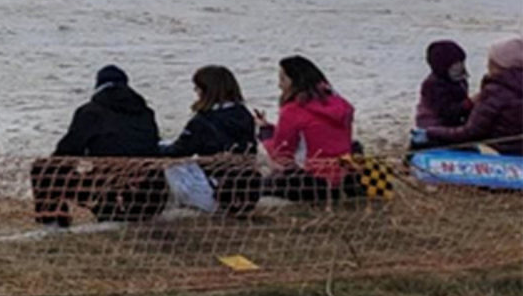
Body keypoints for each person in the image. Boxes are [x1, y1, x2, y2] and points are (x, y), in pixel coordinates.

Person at [31, 65, 164, 225]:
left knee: (44, 169)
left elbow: (66, 153)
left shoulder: (90, 112)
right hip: (153, 196)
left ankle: (54, 221)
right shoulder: (146, 113)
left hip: (112, 194)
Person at [160, 64, 261, 214]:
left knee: (170, 160)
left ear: (206, 91)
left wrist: (152, 147)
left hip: (213, 194)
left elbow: (179, 151)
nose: (196, 92)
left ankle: (178, 201)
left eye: (197, 88)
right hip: (245, 190)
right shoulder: (244, 114)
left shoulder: (203, 121)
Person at [256, 54, 357, 200]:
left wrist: (265, 133)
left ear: (296, 82)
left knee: (259, 182)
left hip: (310, 182)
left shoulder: (292, 110)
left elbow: (282, 155)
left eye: (283, 79)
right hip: (342, 177)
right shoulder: (340, 104)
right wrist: (271, 128)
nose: (279, 85)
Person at [415, 37, 523, 151]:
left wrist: (430, 133)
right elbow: (448, 111)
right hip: (438, 124)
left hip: (500, 148)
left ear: (499, 65)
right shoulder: (433, 85)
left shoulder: (495, 92)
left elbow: (471, 132)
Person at [416, 40, 472, 131]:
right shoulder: (432, 85)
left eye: (461, 62)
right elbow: (446, 112)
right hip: (432, 128)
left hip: (454, 123)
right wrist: (469, 104)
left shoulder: (460, 80)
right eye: (455, 64)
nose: (460, 66)